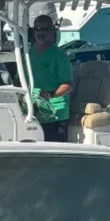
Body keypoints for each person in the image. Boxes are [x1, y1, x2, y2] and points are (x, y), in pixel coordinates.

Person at [28, 11, 73, 142]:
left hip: (55, 113)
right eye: (37, 29)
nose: (40, 33)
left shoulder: (59, 56)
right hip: (33, 110)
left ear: (52, 32)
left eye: (45, 29)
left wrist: (50, 95)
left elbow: (67, 85)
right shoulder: (28, 53)